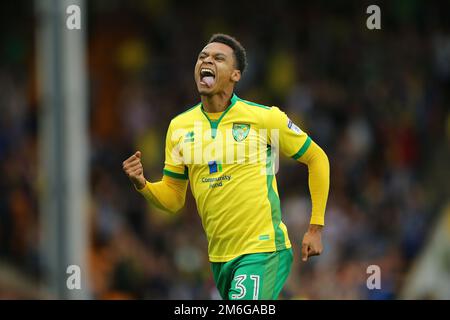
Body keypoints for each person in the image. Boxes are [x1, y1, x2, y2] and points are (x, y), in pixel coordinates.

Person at [122, 34, 330, 300]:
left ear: (235, 75)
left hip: (263, 250)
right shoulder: (179, 127)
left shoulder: (264, 118)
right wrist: (144, 185)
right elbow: (174, 198)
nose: (206, 60)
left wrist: (315, 228)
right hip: (219, 258)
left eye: (218, 58)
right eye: (202, 57)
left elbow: (317, 158)